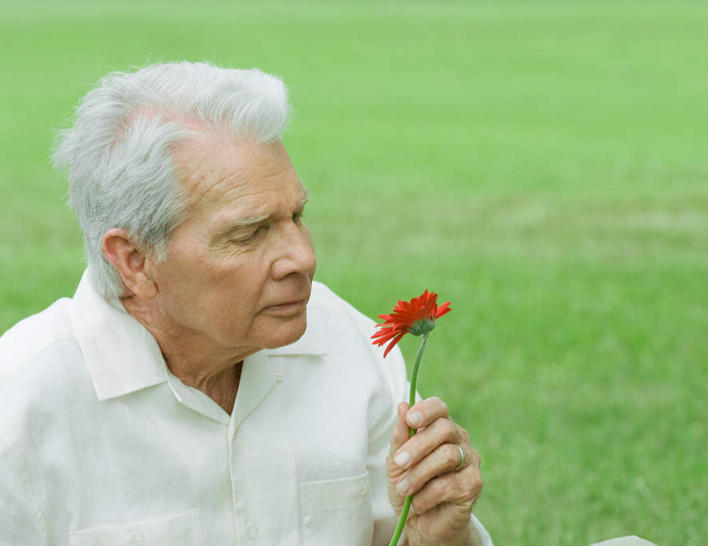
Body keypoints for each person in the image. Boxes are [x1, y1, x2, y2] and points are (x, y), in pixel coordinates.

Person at [0, 62, 490, 545]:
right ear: (134, 260)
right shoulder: (20, 408)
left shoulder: (352, 345)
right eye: (249, 233)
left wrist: (442, 541)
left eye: (297, 216)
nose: (303, 257)